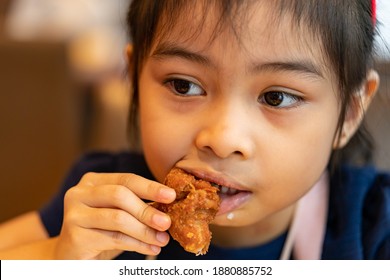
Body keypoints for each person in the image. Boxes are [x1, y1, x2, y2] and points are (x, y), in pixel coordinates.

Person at [0, 0, 389, 260]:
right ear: (134, 79)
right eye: (183, 85)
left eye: (276, 98)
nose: (222, 138)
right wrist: (56, 258)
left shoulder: (374, 228)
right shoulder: (107, 205)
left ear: (351, 111)